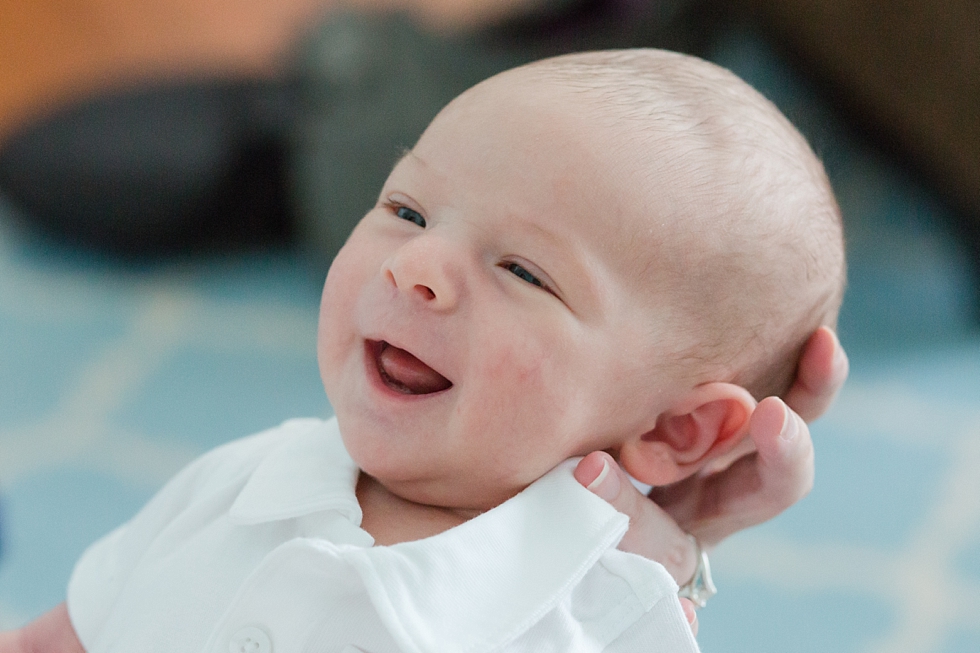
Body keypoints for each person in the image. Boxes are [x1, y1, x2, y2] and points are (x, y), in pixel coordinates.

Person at [0, 48, 848, 652]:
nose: (418, 269)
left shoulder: (593, 622)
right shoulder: (243, 480)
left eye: (523, 270)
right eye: (408, 210)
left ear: (678, 430)